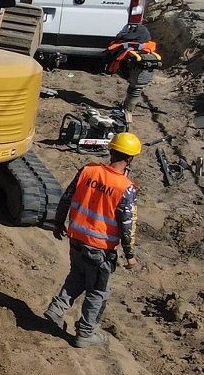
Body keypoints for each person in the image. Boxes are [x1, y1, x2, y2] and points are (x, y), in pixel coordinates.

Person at [44, 132, 141, 348]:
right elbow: (128, 225)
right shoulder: (126, 188)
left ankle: (57, 309)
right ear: (131, 158)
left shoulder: (88, 171)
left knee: (77, 274)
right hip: (100, 249)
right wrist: (130, 255)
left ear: (110, 150)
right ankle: (85, 334)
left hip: (76, 238)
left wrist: (59, 223)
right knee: (98, 290)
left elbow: (66, 197)